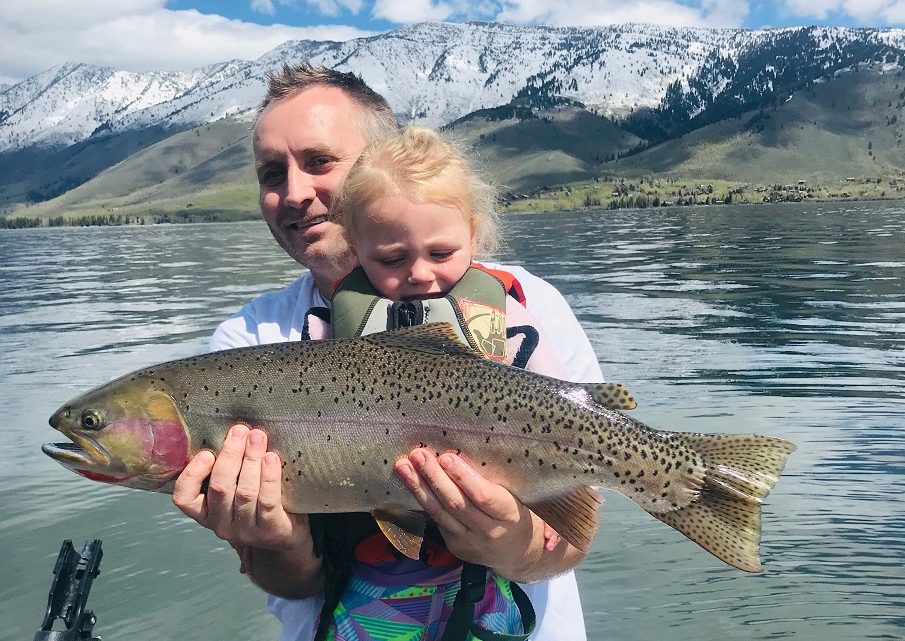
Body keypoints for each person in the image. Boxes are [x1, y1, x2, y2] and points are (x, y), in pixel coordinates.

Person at [171, 63, 605, 641]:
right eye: (272, 172)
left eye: (320, 161)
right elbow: (290, 583)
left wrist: (511, 543)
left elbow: (573, 535)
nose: (295, 192)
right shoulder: (246, 345)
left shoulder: (526, 306)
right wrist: (271, 539)